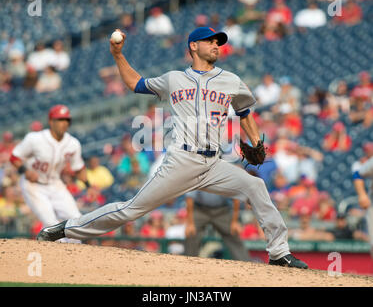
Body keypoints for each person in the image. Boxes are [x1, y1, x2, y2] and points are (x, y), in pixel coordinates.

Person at [37, 26, 308, 269]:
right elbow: (135, 83)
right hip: (182, 160)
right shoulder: (173, 78)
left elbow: (245, 112)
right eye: (210, 41)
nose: (216, 45)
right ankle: (66, 228)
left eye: (218, 42)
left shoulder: (231, 80)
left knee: (256, 187)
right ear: (193, 46)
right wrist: (118, 55)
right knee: (131, 209)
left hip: (214, 164)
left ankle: (279, 253)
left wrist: (257, 142)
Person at [10, 105, 92, 243]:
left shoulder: (73, 143)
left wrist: (88, 186)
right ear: (51, 121)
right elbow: (14, 157)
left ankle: (74, 257)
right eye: (60, 119)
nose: (64, 123)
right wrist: (25, 171)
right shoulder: (34, 139)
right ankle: (57, 257)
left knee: (76, 220)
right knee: (51, 224)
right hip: (33, 186)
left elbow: (78, 168)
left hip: (55, 184)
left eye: (67, 120)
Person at [184, 190, 250, 262]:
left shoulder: (225, 178)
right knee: (191, 232)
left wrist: (235, 221)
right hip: (200, 209)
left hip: (222, 210)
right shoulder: (199, 178)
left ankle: (245, 263)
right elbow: (189, 197)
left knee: (233, 232)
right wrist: (190, 223)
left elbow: (236, 198)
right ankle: (188, 263)